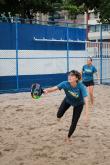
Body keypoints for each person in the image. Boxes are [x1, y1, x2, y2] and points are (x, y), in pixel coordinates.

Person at [43, 70, 88, 143]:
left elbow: (86, 100)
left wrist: (86, 115)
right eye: (69, 75)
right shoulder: (65, 83)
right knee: (58, 114)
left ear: (76, 78)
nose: (69, 77)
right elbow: (54, 88)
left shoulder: (81, 86)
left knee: (74, 122)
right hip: (68, 100)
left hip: (79, 104)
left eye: (72, 76)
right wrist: (46, 91)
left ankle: (68, 137)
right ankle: (59, 117)